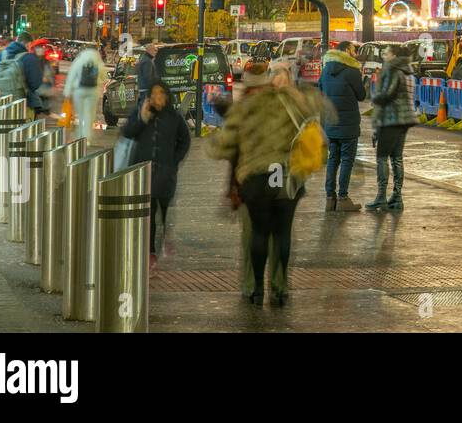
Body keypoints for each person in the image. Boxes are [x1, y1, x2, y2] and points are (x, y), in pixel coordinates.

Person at [207, 73, 321, 306]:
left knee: (258, 233)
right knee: (283, 233)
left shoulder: (245, 108)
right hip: (286, 175)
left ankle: (257, 288)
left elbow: (221, 147)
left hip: (258, 178)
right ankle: (280, 289)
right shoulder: (287, 101)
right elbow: (318, 110)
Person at [226, 62, 287, 301]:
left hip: (251, 179)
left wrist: (232, 186)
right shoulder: (281, 104)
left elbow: (234, 151)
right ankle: (277, 285)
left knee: (253, 235)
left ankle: (253, 285)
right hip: (275, 177)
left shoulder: (243, 109)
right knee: (275, 235)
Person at [121, 82, 192, 270]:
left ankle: (163, 240)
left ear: (167, 97)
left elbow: (185, 140)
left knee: (165, 211)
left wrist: (174, 160)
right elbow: (128, 132)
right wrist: (142, 118)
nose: (156, 98)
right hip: (144, 172)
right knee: (149, 214)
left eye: (160, 94)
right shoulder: (142, 113)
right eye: (153, 94)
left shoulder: (174, 118)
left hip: (166, 173)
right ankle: (151, 252)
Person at [366, 45, 418, 211]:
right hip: (405, 120)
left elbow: (387, 94)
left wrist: (374, 97)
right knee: (397, 158)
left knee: (382, 157)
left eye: (386, 52)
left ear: (394, 55)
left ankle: (381, 196)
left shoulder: (393, 70)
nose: (384, 55)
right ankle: (397, 196)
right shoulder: (408, 71)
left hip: (391, 120)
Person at [318, 40, 367, 212]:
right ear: (347, 50)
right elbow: (361, 95)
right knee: (347, 161)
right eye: (354, 50)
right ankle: (343, 198)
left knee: (333, 160)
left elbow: (320, 93)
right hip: (348, 125)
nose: (355, 53)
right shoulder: (352, 71)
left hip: (330, 123)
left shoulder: (325, 71)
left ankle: (329, 198)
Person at [0, 32, 48, 117]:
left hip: (0, 102)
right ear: (28, 44)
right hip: (22, 104)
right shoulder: (29, 58)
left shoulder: (1, 55)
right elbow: (35, 84)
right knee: (24, 128)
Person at [64, 45, 107, 142]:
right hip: (93, 91)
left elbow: (71, 76)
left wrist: (67, 92)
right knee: (89, 115)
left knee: (81, 114)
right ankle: (87, 138)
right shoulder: (98, 62)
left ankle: (80, 136)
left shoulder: (79, 60)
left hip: (79, 90)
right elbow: (104, 77)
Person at [134, 43, 159, 109]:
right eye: (155, 50)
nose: (156, 52)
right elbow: (147, 77)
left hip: (143, 89)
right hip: (146, 90)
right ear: (150, 50)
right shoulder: (147, 61)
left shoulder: (144, 59)